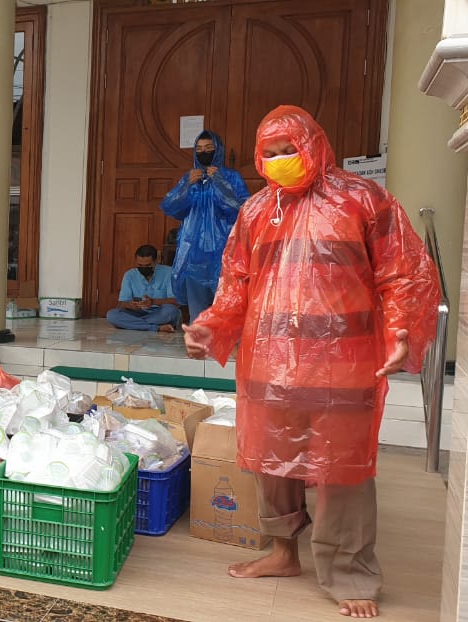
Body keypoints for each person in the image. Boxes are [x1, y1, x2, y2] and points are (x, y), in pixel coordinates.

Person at [183, 105, 440, 619]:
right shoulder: (257, 211)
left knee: (343, 469)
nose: (280, 160)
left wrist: (403, 332)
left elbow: (402, 273)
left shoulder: (363, 199)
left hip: (343, 362)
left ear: (314, 146)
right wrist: (213, 324)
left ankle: (350, 571)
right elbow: (236, 283)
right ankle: (282, 553)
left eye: (289, 150)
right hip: (269, 361)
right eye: (270, 153)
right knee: (271, 462)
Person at [160, 130, 250, 321]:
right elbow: (170, 207)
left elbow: (242, 208)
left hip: (223, 252)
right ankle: (200, 347)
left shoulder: (231, 177)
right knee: (197, 311)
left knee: (225, 307)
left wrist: (220, 183)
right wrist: (186, 186)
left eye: (209, 148)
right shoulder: (190, 178)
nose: (204, 152)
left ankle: (225, 348)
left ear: (218, 151)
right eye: (199, 149)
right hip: (194, 255)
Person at [106, 244, 180, 332]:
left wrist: (153, 301)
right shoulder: (129, 275)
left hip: (159, 312)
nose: (143, 268)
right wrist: (131, 305)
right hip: (137, 313)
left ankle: (133, 324)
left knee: (172, 311)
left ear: (156, 261)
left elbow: (176, 301)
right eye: (140, 265)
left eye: (148, 265)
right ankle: (156, 327)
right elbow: (122, 303)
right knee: (112, 315)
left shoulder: (169, 272)